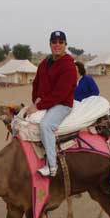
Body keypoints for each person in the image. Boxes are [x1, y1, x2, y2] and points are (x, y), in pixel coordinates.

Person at [27, 30, 77, 177]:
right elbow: (36, 83)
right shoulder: (44, 63)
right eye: (54, 42)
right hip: (46, 102)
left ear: (65, 44)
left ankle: (52, 165)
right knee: (23, 120)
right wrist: (36, 99)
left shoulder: (69, 66)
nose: (57, 45)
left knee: (45, 125)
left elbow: (60, 93)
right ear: (50, 44)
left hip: (62, 104)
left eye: (60, 42)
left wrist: (39, 106)